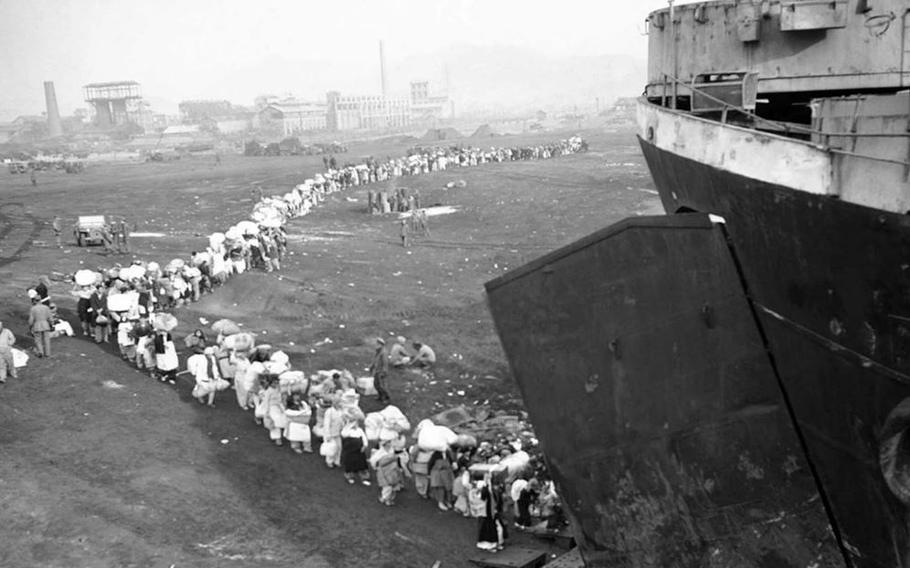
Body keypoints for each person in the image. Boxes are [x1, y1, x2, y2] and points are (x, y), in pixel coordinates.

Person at [370, 438, 408, 506]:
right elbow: (375, 462)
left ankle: (390, 499)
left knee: (393, 486)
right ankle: (384, 498)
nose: (389, 444)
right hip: (384, 472)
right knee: (387, 487)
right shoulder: (380, 454)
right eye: (388, 443)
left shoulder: (392, 451)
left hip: (393, 471)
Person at [340, 419, 371, 486]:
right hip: (350, 451)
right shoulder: (346, 431)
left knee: (362, 464)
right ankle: (350, 477)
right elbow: (343, 434)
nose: (355, 425)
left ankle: (365, 478)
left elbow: (364, 437)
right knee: (350, 464)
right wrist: (348, 427)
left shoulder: (359, 430)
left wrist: (365, 446)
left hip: (359, 450)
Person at [369, 338, 391, 403]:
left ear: (381, 345)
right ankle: (380, 396)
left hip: (381, 371)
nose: (376, 345)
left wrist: (384, 371)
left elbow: (385, 362)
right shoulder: (377, 351)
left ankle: (386, 397)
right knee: (376, 384)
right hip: (377, 370)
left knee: (382, 386)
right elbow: (375, 360)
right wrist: (372, 366)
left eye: (377, 344)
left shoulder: (384, 352)